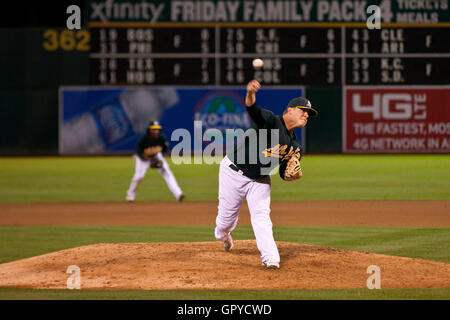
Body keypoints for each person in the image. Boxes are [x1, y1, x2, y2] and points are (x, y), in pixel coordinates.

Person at [214, 80, 318, 269]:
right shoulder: (271, 121)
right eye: (302, 110)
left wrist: (291, 175)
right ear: (289, 111)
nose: (306, 114)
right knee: (225, 222)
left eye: (309, 113)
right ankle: (224, 235)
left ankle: (271, 258)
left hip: (260, 179)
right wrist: (250, 93)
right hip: (233, 171)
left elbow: (284, 174)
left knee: (262, 216)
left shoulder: (296, 147)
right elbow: (253, 109)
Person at [126, 121, 185, 202]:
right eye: (154, 129)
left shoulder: (161, 138)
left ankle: (178, 194)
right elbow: (138, 150)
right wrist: (145, 158)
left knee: (167, 172)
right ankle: (130, 195)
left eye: (157, 129)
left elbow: (165, 150)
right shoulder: (144, 139)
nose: (156, 131)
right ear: (149, 130)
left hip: (157, 156)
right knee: (139, 177)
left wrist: (161, 158)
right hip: (143, 158)